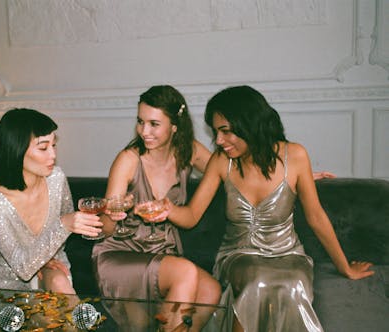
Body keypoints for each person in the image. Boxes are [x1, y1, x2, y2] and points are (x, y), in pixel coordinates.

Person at [165, 85, 374, 332]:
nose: (219, 141)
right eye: (216, 132)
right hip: (238, 256)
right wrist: (166, 208)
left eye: (226, 131)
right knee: (258, 281)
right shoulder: (222, 161)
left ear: (250, 125)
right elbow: (191, 216)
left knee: (291, 285)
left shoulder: (295, 156)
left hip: (288, 255)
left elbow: (316, 217)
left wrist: (346, 268)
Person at [92, 85, 222, 331]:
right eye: (141, 122)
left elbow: (230, 169)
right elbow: (106, 229)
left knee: (210, 290)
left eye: (154, 124)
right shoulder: (128, 160)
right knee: (184, 273)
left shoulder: (188, 151)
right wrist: (113, 212)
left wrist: (282, 175)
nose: (144, 131)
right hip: (121, 253)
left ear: (175, 126)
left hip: (163, 252)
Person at [0, 108, 103, 293]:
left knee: (59, 283)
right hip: (7, 286)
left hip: (53, 266)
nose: (52, 155)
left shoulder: (56, 179)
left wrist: (44, 257)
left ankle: (80, 322)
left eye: (54, 145)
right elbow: (23, 269)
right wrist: (63, 225)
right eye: (43, 147)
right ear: (16, 150)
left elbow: (62, 240)